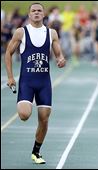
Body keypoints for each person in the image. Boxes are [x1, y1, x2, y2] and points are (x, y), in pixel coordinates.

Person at [5, 3, 66, 164]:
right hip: (27, 81)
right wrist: (10, 77)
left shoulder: (51, 33)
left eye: (39, 10)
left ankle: (36, 152)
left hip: (44, 82)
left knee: (44, 118)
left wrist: (61, 60)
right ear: (29, 14)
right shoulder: (21, 32)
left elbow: (59, 54)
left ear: (44, 14)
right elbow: (8, 53)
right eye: (34, 11)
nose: (37, 13)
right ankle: (23, 102)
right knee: (24, 115)